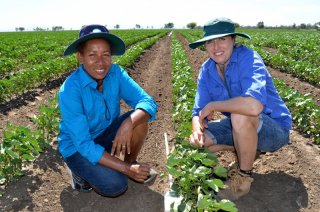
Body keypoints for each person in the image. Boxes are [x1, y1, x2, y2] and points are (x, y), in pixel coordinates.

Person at [188, 18, 292, 200]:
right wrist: (197, 130)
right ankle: (246, 148)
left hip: (274, 130)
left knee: (240, 114)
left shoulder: (248, 58)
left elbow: (253, 105)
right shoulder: (207, 70)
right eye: (210, 41)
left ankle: (243, 178)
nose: (216, 46)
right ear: (205, 45)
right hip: (240, 126)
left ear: (233, 40)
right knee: (198, 143)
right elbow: (197, 112)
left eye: (222, 39)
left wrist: (213, 105)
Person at [58, 24, 158, 197]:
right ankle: (79, 175)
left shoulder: (116, 73)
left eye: (106, 55)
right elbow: (84, 145)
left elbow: (148, 102)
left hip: (105, 134)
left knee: (139, 120)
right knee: (116, 186)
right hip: (78, 147)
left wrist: (129, 122)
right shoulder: (70, 90)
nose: (101, 62)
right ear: (80, 57)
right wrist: (125, 170)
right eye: (92, 55)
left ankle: (131, 162)